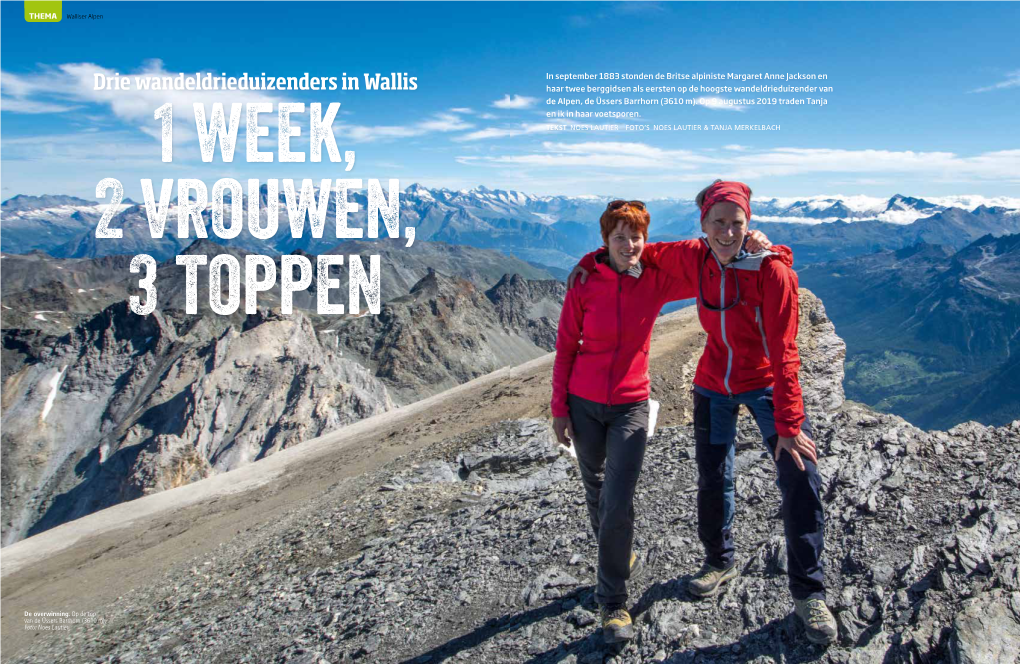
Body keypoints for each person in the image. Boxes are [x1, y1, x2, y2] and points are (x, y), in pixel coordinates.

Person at [567, 180, 837, 645]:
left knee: (800, 474)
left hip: (765, 385)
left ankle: (809, 592)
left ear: (749, 223)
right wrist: (588, 264)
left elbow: (786, 350)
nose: (728, 232)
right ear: (704, 225)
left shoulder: (772, 272)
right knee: (714, 477)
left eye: (737, 223)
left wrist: (791, 425)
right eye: (719, 223)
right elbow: (634, 251)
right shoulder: (695, 256)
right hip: (712, 386)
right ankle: (719, 562)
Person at [551, 199, 773, 643]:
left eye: (636, 237)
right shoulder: (585, 282)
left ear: (645, 240)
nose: (629, 245)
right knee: (594, 486)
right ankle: (618, 555)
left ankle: (612, 602)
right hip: (583, 401)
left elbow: (703, 253)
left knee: (617, 498)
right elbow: (565, 347)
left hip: (632, 403)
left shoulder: (655, 280)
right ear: (604, 242)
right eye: (619, 237)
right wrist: (559, 409)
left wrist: (755, 243)